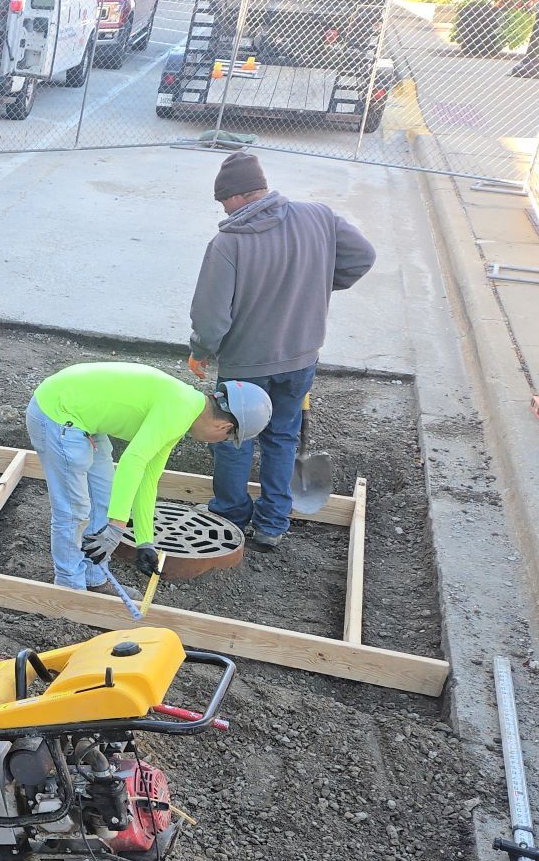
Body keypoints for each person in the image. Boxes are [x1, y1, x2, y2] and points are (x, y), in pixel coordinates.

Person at [187, 150, 375, 550]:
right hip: (301, 358)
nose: (223, 209)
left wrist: (200, 350)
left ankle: (230, 516)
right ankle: (272, 524)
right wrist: (316, 282)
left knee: (234, 437)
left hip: (246, 365)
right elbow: (363, 257)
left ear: (237, 195)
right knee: (282, 436)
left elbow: (211, 317)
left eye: (223, 200)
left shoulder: (228, 243)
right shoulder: (318, 216)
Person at [27, 361, 270, 592]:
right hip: (57, 411)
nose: (219, 442)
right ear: (224, 428)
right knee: (74, 510)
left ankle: (94, 578)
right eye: (227, 439)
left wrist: (145, 541)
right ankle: (69, 588)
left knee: (104, 499)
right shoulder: (180, 409)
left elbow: (148, 478)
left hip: (83, 415)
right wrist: (117, 527)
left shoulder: (186, 410)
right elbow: (132, 461)